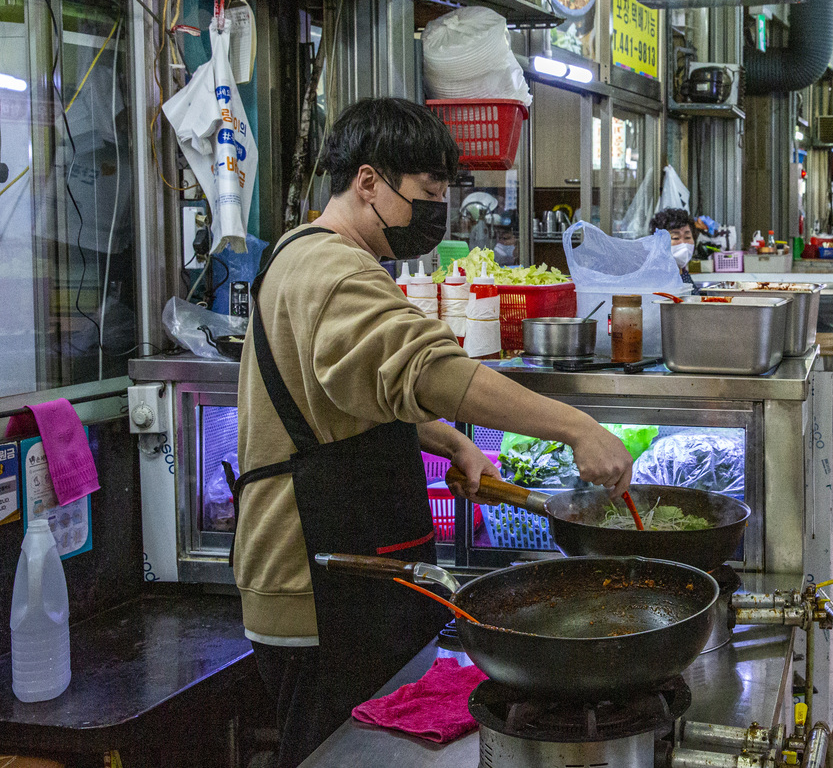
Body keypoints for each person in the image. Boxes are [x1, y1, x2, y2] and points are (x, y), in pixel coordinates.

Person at [235, 98, 634, 767]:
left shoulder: (304, 254)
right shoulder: (334, 271)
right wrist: (576, 427)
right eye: (425, 194)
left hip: (341, 576)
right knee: (339, 756)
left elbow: (347, 385)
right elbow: (428, 370)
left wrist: (449, 440)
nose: (435, 213)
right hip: (318, 587)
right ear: (368, 181)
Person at [651, 206, 697, 289]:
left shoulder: (683, 273)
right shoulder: (655, 278)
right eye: (676, 238)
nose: (683, 243)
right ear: (659, 242)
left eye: (687, 237)